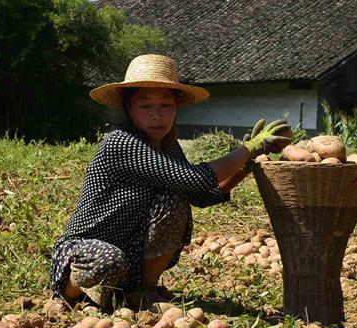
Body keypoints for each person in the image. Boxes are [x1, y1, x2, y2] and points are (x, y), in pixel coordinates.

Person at [50, 54, 290, 310]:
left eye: (166, 106)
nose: (157, 116)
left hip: (130, 250)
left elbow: (200, 195)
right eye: (146, 106)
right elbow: (195, 179)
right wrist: (248, 148)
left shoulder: (168, 146)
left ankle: (142, 292)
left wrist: (242, 168)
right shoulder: (121, 142)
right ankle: (67, 293)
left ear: (176, 108)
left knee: (174, 200)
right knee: (109, 260)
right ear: (129, 109)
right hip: (85, 251)